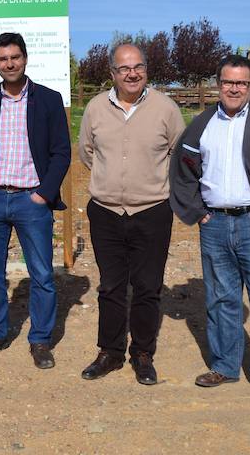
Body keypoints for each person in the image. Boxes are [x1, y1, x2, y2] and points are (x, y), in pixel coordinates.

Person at [170, 54, 250, 414]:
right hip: (214, 225)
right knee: (220, 301)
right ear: (218, 83)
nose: (234, 88)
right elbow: (182, 171)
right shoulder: (200, 125)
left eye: (241, 83)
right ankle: (225, 366)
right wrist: (198, 213)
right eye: (228, 82)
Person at [77, 43, 185, 385]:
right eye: (124, 68)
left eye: (137, 67)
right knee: (110, 286)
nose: (132, 73)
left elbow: (179, 154)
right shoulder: (95, 109)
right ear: (112, 73)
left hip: (152, 211)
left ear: (146, 70)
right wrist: (112, 183)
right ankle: (109, 352)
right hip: (106, 212)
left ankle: (142, 353)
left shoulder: (166, 109)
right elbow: (87, 153)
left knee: (147, 287)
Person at [0, 32, 71, 369]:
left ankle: (40, 340)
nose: (9, 63)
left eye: (15, 57)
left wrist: (44, 194)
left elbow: (61, 152)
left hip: (31, 200)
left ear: (25, 58)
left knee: (41, 274)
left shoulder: (48, 99)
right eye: (2, 58)